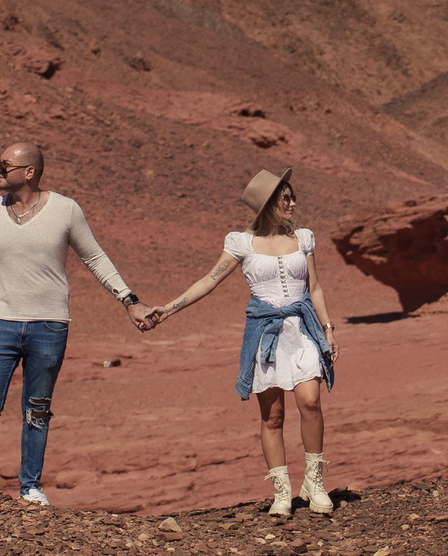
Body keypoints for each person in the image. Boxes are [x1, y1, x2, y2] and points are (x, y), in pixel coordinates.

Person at [0, 141, 145, 505]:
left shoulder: (66, 210)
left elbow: (95, 258)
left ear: (29, 172)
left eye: (3, 165)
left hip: (49, 327)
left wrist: (128, 300)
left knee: (37, 408)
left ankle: (30, 487)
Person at [139, 167, 336, 519]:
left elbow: (315, 287)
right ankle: (282, 491)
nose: (293, 203)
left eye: (293, 196)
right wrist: (168, 309)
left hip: (302, 328)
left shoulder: (303, 238)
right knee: (272, 415)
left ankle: (314, 482)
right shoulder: (241, 243)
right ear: (269, 204)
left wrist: (329, 329)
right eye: (286, 198)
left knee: (310, 401)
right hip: (264, 333)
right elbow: (209, 280)